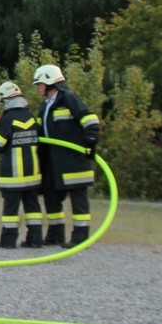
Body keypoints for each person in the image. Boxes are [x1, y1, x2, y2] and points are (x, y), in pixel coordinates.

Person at [32, 64, 100, 248]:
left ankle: (80, 237)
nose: (37, 87)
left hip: (73, 160)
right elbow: (39, 130)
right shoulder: (45, 105)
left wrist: (91, 139)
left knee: (78, 200)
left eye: (39, 83)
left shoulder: (68, 99)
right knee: (51, 197)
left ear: (49, 82)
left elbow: (89, 118)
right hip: (53, 161)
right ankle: (55, 235)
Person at [0, 81, 44, 248]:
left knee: (10, 212)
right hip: (33, 173)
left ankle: (8, 242)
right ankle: (35, 240)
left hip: (13, 176)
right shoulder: (30, 116)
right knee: (33, 208)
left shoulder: (7, 118)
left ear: (6, 100)